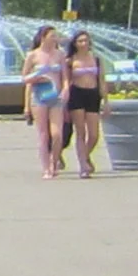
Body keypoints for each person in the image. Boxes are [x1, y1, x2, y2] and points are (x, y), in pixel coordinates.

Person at [20, 23, 68, 179]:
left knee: (57, 134)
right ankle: (46, 167)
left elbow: (65, 77)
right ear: (43, 37)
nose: (55, 38)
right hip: (39, 96)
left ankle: (55, 161)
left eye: (56, 36)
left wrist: (66, 89)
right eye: (52, 36)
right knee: (43, 134)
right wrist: (36, 77)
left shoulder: (60, 55)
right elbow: (24, 78)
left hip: (56, 96)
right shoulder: (33, 55)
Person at [66, 29, 106, 178]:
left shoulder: (96, 59)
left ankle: (85, 155)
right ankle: (83, 166)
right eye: (80, 41)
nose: (84, 43)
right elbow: (66, 81)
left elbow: (101, 80)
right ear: (75, 44)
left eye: (86, 40)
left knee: (94, 135)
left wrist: (106, 101)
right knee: (81, 132)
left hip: (93, 95)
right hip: (77, 94)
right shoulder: (70, 60)